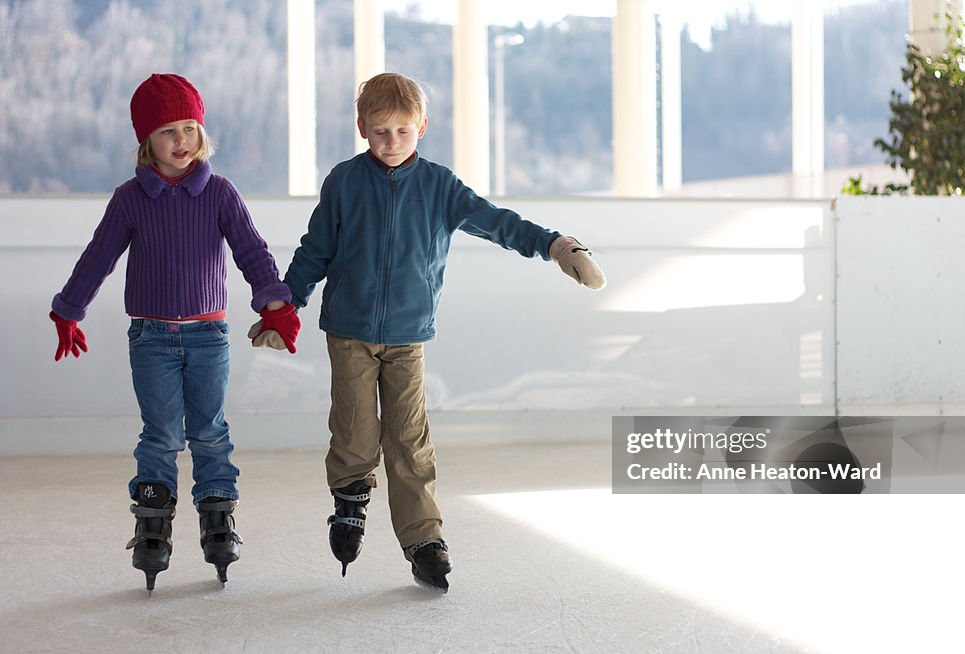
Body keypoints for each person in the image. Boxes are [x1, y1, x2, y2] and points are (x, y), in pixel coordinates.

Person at [251, 72, 605, 592]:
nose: (390, 141)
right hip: (347, 330)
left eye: (401, 130)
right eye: (379, 131)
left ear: (423, 127)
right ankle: (350, 500)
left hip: (408, 334)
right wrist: (286, 306)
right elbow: (315, 249)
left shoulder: (440, 186)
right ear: (361, 129)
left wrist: (555, 245)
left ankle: (424, 538)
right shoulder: (344, 182)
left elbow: (497, 222)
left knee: (409, 438)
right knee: (354, 429)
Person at [49, 73, 301, 591]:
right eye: (167, 131)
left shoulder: (220, 193)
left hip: (209, 337)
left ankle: (217, 515)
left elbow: (252, 251)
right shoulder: (129, 199)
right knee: (161, 433)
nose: (181, 140)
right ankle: (152, 524)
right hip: (151, 338)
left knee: (209, 429)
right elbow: (99, 257)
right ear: (146, 142)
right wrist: (69, 310)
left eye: (189, 127)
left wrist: (275, 303)